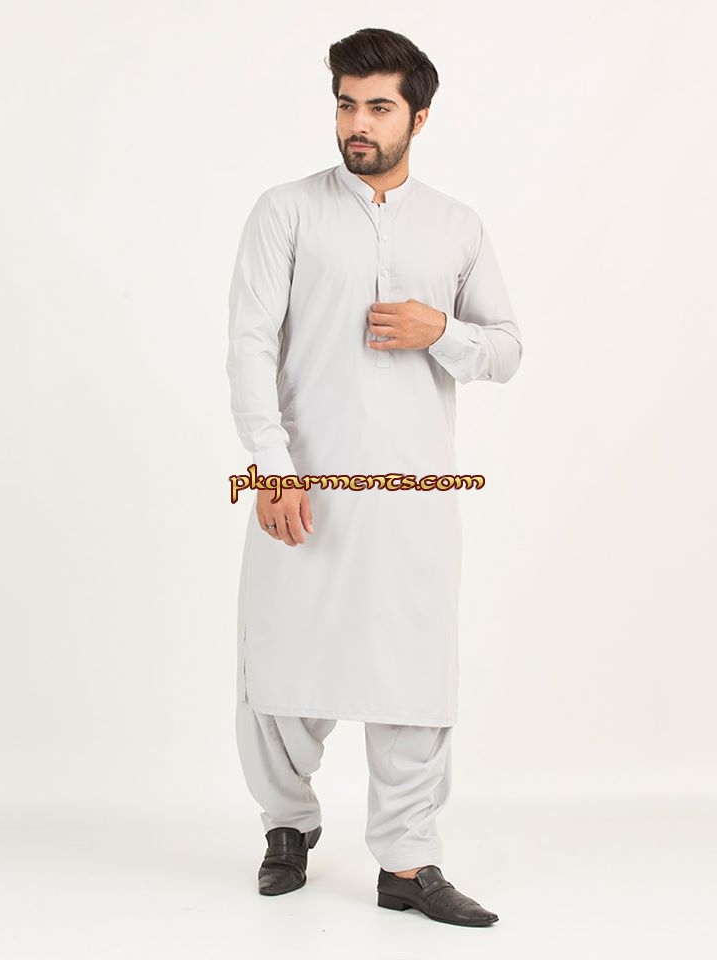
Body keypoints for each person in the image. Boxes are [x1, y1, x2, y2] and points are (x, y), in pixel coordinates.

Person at [225, 27, 522, 927]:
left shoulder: (457, 226)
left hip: (413, 498)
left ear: (418, 118)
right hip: (305, 489)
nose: (358, 123)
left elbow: (506, 350)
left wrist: (442, 332)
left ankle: (407, 863)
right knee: (284, 666)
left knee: (413, 674)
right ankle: (287, 826)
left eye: (379, 107)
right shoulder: (287, 211)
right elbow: (250, 344)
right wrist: (271, 469)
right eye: (346, 104)